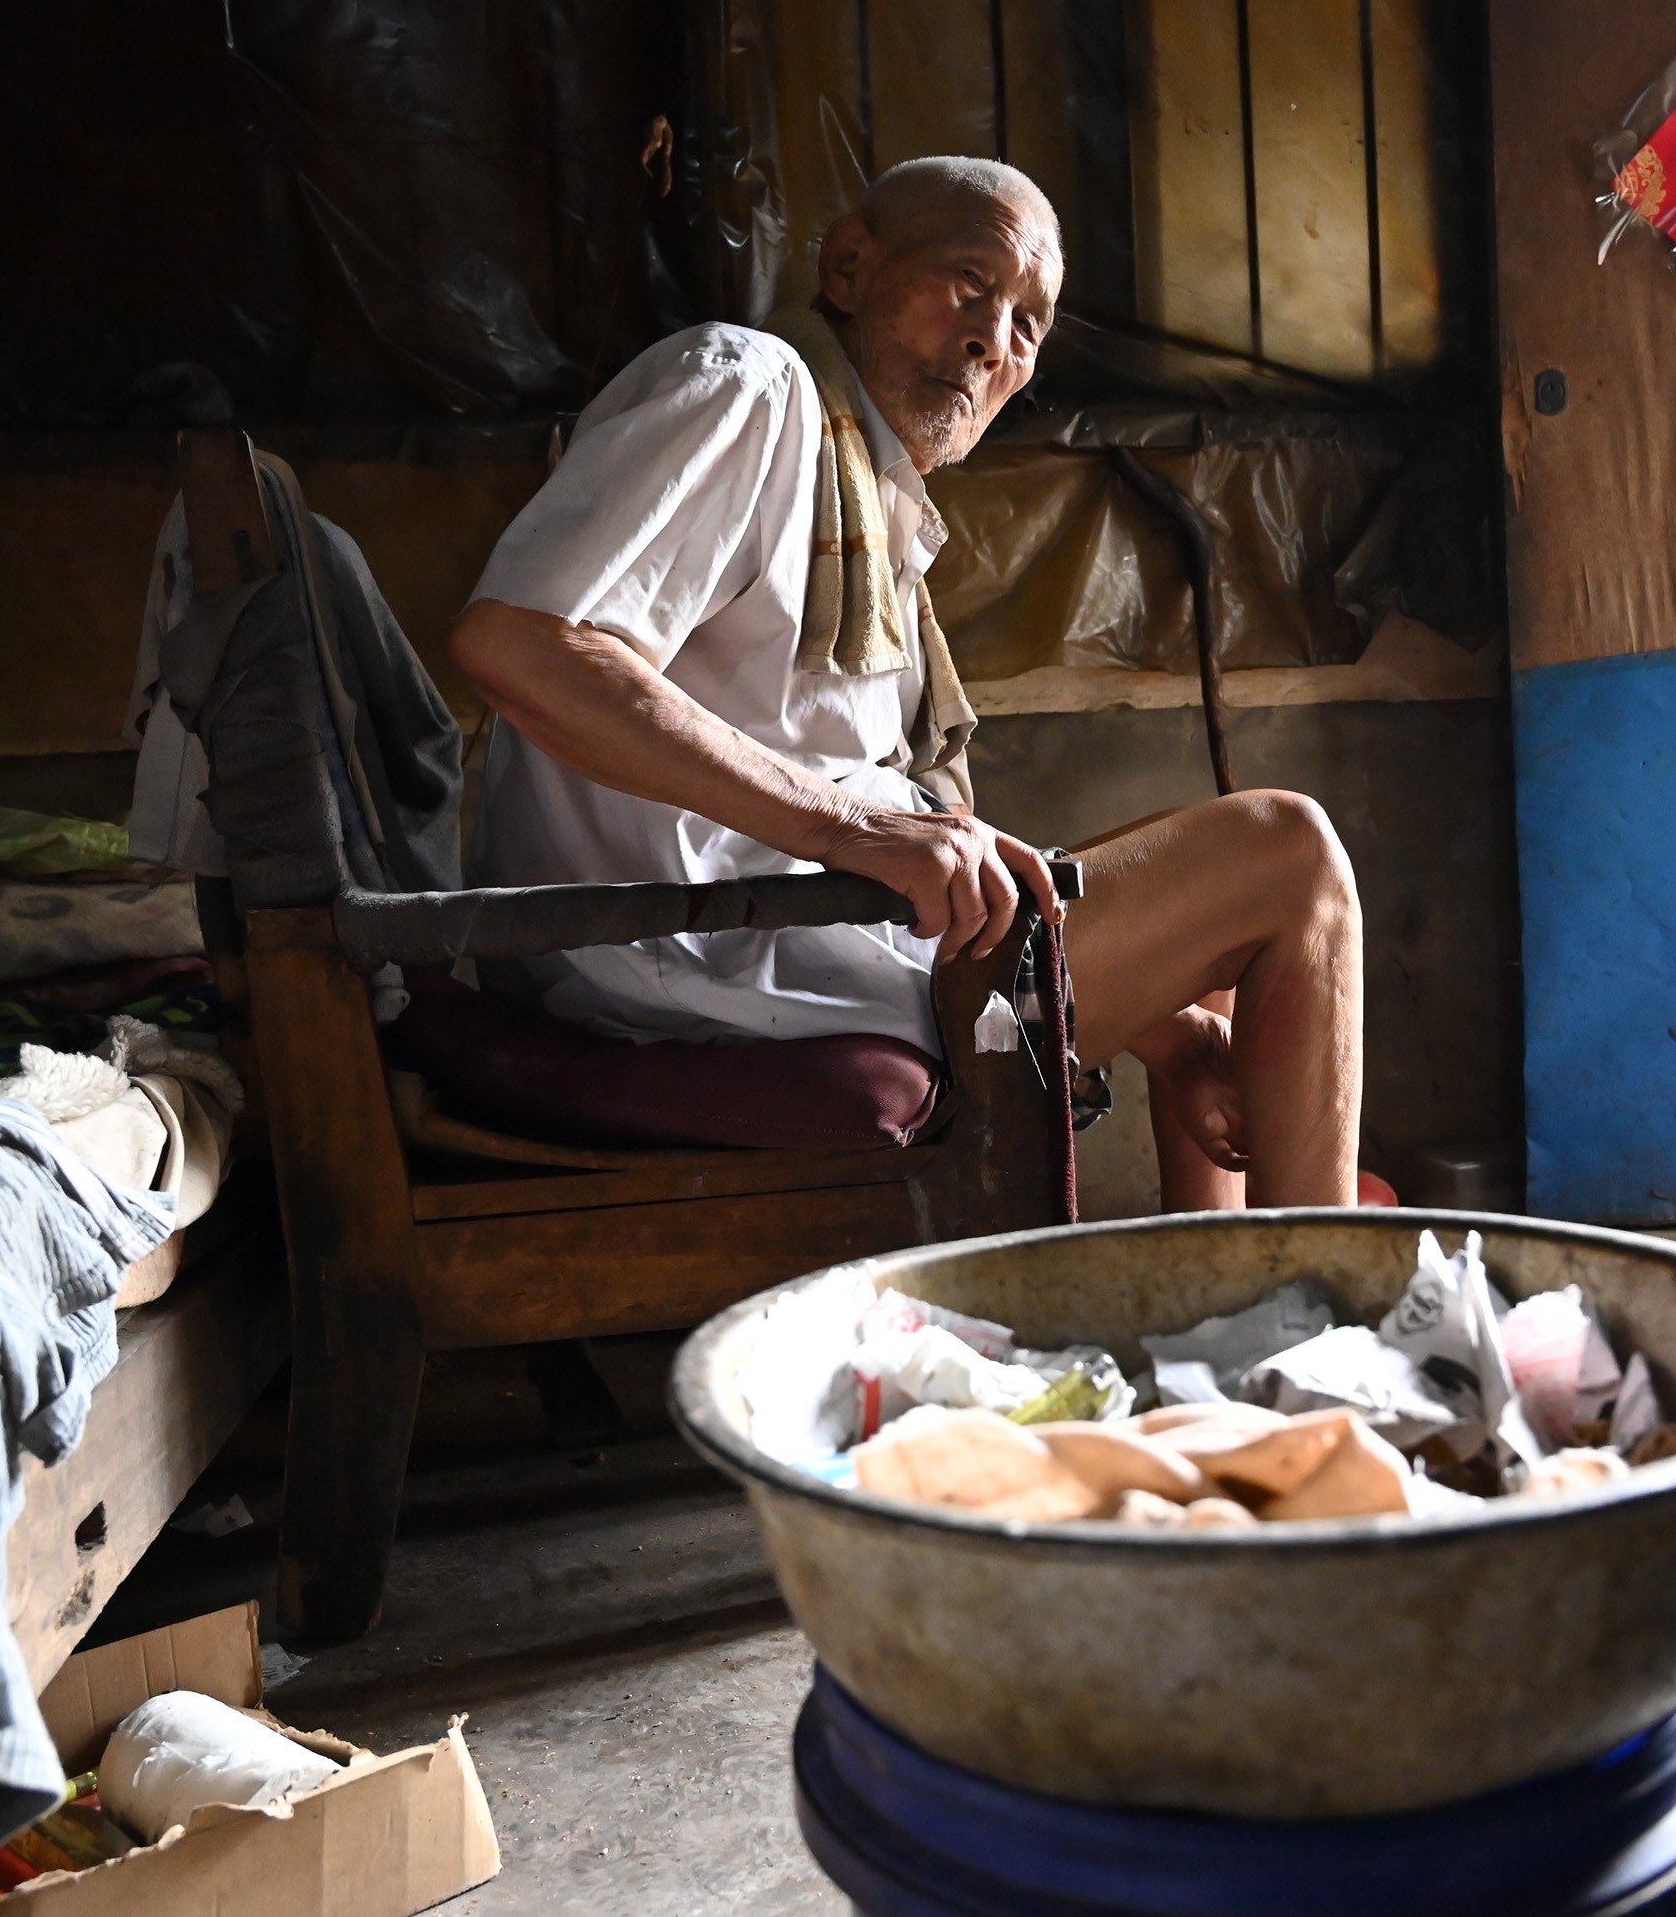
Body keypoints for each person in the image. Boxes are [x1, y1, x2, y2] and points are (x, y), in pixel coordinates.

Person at [448, 156, 1361, 1208]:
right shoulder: (751, 388)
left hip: (777, 930)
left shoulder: (877, 508)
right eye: (972, 280)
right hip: (671, 950)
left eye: (1029, 322)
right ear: (848, 266)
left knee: (1200, 958)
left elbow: (865, 798)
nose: (993, 340)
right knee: (1288, 859)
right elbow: (519, 641)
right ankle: (1317, 1311)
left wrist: (1161, 1029)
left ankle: (1225, 1310)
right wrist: (848, 827)